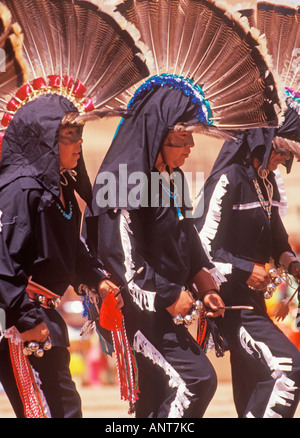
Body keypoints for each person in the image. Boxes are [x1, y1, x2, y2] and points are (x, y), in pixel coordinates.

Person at [84, 76, 225, 418]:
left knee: (156, 396)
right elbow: (120, 257)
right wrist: (167, 293)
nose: (190, 145)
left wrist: (205, 286)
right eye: (182, 136)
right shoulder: (122, 180)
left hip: (159, 311)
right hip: (134, 310)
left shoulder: (171, 180)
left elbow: (187, 240)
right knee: (196, 380)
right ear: (159, 133)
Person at [0, 94, 123, 418]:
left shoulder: (59, 187)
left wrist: (97, 280)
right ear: (44, 138)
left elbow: (70, 247)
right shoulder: (20, 190)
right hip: (19, 325)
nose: (78, 142)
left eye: (79, 133)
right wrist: (27, 320)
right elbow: (2, 264)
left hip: (44, 320)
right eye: (68, 135)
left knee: (65, 410)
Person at [196, 108, 300, 418]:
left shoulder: (266, 184)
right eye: (281, 151)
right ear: (263, 141)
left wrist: (293, 264)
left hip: (253, 300)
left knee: (254, 385)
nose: (283, 159)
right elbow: (202, 249)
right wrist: (245, 270)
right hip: (228, 301)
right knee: (289, 367)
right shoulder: (228, 179)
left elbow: (278, 241)